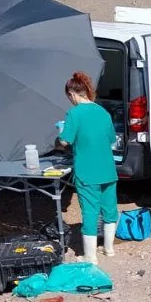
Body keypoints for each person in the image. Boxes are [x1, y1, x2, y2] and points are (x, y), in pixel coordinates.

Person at [56, 72, 117, 264]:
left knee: (90, 212)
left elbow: (65, 142)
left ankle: (90, 256)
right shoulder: (103, 111)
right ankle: (109, 249)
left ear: (72, 94)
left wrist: (58, 138)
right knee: (110, 210)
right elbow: (112, 141)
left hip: (87, 170)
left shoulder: (74, 113)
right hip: (108, 169)